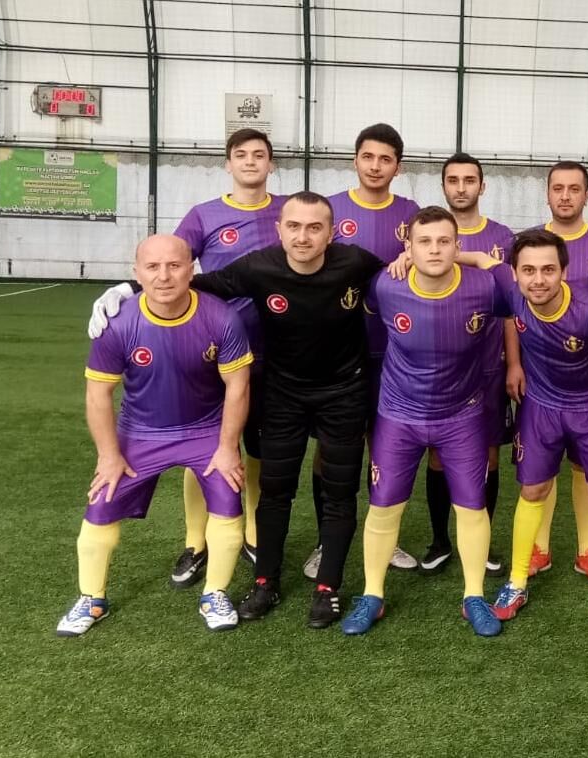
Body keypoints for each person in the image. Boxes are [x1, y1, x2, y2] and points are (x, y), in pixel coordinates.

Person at [183, 191, 406, 629]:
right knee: (275, 490)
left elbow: (401, 272)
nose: (303, 237)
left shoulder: (355, 262)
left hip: (344, 393)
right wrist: (126, 291)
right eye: (294, 227)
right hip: (283, 394)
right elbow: (200, 285)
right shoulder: (258, 267)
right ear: (279, 230)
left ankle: (328, 588)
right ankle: (265, 581)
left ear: (331, 233)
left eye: (314, 228)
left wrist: (410, 259)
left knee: (340, 493)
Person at [88, 128, 284, 589]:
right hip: (212, 352)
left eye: (259, 155)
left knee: (259, 447)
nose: (250, 162)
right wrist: (126, 289)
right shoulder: (204, 215)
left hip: (277, 350)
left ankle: (252, 533)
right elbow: (170, 264)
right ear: (228, 164)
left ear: (271, 164)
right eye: (241, 155)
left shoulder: (286, 211)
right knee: (206, 444)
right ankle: (197, 542)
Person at [56, 234, 253, 636]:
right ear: (137, 273)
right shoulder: (118, 324)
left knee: (228, 500)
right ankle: (91, 598)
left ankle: (214, 593)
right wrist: (109, 455)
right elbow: (98, 395)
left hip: (206, 430)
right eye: (153, 267)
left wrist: (227, 447)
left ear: (191, 271)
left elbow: (238, 387)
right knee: (101, 502)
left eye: (174, 266)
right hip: (140, 431)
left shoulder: (222, 318)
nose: (164, 276)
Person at [340, 206, 509, 638]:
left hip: (462, 415)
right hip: (399, 415)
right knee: (384, 505)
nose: (434, 249)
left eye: (444, 242)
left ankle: (474, 596)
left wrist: (478, 259)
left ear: (457, 245)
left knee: (471, 506)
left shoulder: (484, 286)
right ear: (408, 247)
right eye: (424, 242)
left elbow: (514, 288)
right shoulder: (387, 284)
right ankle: (372, 595)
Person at [489, 228, 588, 653]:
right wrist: (413, 258)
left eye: (548, 269)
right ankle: (516, 583)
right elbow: (475, 260)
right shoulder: (511, 293)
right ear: (515, 273)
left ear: (564, 271)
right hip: (542, 408)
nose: (538, 279)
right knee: (533, 490)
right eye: (528, 270)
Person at [505, 161, 588, 582]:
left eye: (574, 188)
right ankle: (538, 549)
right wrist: (515, 363)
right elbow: (511, 310)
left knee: (584, 466)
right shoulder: (529, 242)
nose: (565, 196)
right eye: (557, 188)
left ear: (586, 195)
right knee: (539, 470)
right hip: (542, 380)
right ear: (547, 193)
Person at [303, 123, 421, 580]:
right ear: (355, 160)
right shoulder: (329, 209)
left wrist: (411, 258)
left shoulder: (411, 214)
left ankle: (384, 539)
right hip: (336, 352)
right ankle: (324, 541)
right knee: (331, 447)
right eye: (368, 157)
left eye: (385, 159)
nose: (375, 166)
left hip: (394, 351)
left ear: (398, 167)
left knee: (384, 445)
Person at [420, 153, 515, 577]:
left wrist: (515, 363)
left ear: (482, 185)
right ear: (443, 186)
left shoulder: (503, 237)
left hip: (490, 367)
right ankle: (441, 541)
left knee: (489, 455)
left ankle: (483, 540)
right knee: (439, 455)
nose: (461, 187)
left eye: (469, 180)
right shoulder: (431, 235)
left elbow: (511, 308)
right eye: (453, 180)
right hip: (442, 370)